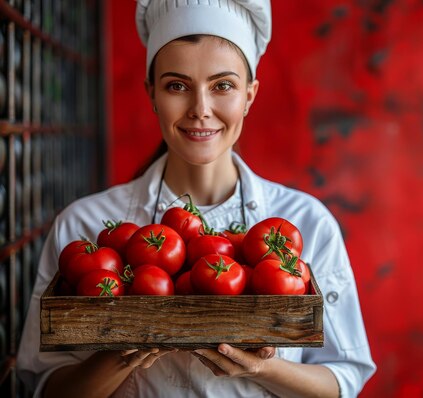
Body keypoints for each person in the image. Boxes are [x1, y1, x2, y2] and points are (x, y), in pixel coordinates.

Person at [16, 0, 376, 396]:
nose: (200, 109)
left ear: (250, 95)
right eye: (177, 86)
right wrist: (121, 351)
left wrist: (263, 368)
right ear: (152, 93)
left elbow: (344, 379)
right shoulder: (83, 225)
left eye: (222, 85)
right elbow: (40, 385)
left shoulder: (307, 222)